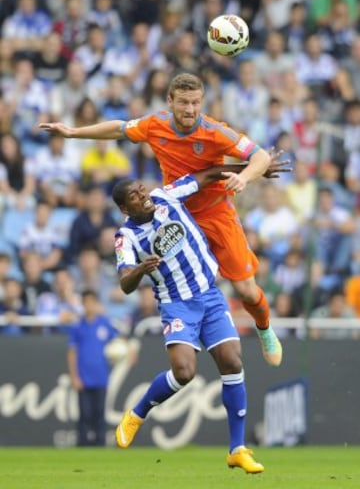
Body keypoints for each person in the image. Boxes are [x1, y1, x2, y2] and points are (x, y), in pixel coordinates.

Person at [39, 72, 285, 367]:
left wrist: (244, 177)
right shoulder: (155, 125)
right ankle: (188, 340)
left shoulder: (216, 131)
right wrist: (73, 132)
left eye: (195, 102)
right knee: (177, 282)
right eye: (183, 102)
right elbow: (119, 129)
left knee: (246, 290)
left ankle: (264, 326)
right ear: (170, 101)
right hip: (174, 213)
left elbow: (260, 156)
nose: (190, 109)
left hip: (216, 213)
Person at [110, 164, 270, 474]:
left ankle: (237, 449)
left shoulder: (166, 196)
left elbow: (207, 175)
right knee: (184, 372)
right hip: (176, 304)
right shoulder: (125, 236)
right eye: (133, 195)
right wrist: (141, 270)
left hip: (209, 295)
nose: (142, 195)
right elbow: (125, 283)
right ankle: (138, 414)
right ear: (123, 207)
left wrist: (253, 168)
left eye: (141, 189)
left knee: (233, 362)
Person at [67, 289, 119, 446]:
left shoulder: (104, 323)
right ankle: (82, 443)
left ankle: (100, 444)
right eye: (86, 302)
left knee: (99, 413)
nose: (89, 305)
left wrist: (129, 350)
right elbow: (72, 353)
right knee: (85, 413)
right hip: (83, 377)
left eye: (92, 302)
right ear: (82, 304)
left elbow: (118, 343)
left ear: (96, 304)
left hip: (101, 376)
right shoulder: (78, 326)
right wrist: (74, 376)